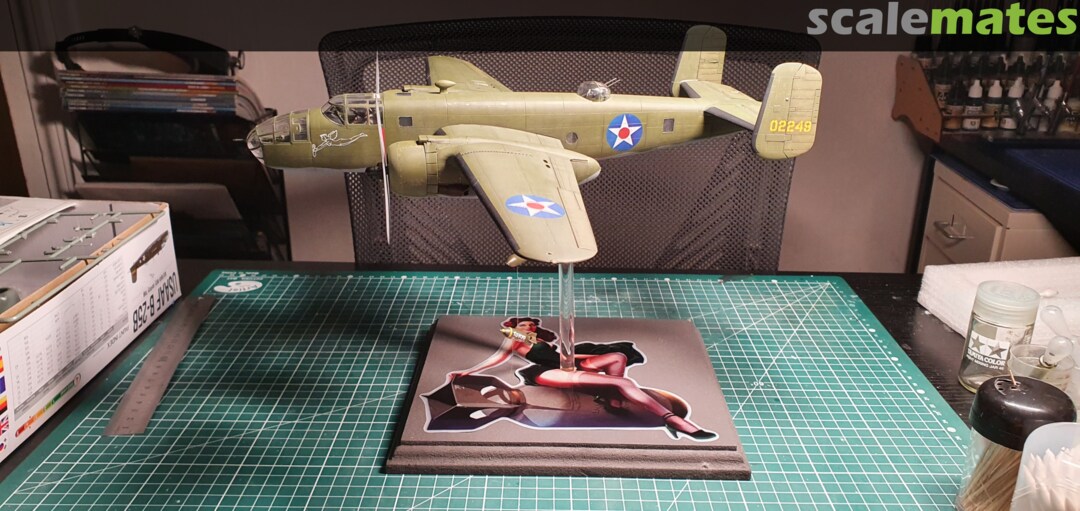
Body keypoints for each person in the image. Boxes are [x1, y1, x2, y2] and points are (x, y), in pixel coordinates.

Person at [450, 317, 717, 441]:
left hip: (568, 363)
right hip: (547, 373)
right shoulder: (516, 340)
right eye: (523, 325)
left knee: (617, 357)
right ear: (515, 327)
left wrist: (593, 356)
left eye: (531, 325)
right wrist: (467, 373)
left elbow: (565, 355)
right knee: (623, 383)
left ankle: (612, 397)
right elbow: (498, 358)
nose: (528, 327)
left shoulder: (542, 341)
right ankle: (673, 420)